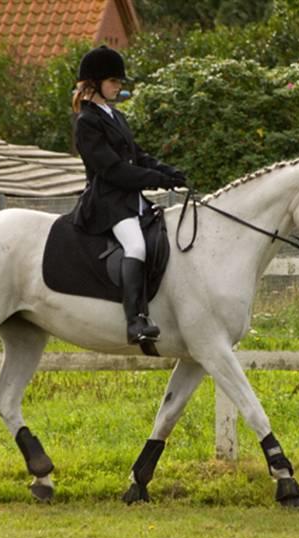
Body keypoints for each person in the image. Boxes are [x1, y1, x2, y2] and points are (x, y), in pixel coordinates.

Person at [71, 45, 186, 345]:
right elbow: (113, 169)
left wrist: (169, 172)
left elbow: (137, 155)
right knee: (135, 246)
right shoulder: (87, 122)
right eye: (113, 81)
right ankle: (134, 321)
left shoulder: (115, 115)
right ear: (94, 83)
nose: (119, 86)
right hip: (107, 201)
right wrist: (156, 179)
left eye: (119, 82)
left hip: (130, 199)